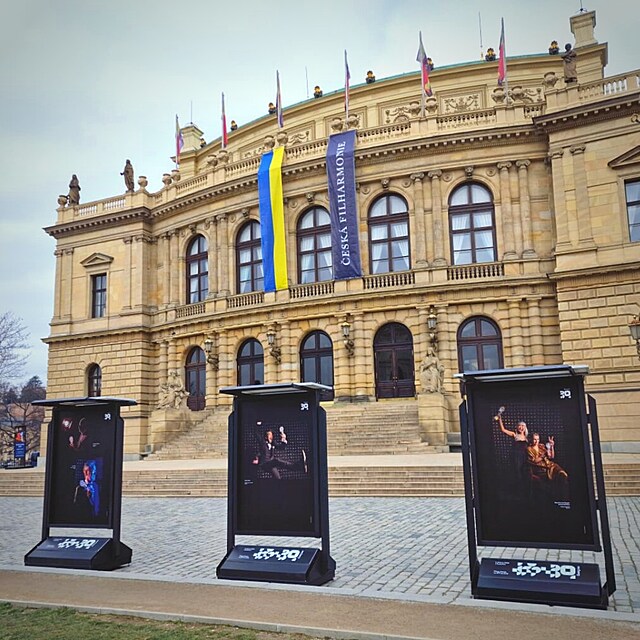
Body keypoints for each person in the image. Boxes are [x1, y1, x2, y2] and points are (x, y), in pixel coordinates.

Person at [494, 408, 528, 483]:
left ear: (525, 428)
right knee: (517, 472)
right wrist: (500, 418)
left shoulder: (527, 438)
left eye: (523, 426)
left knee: (525, 472)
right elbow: (503, 430)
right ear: (517, 427)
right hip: (516, 456)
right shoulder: (514, 434)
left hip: (525, 457)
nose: (521, 427)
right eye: (520, 426)